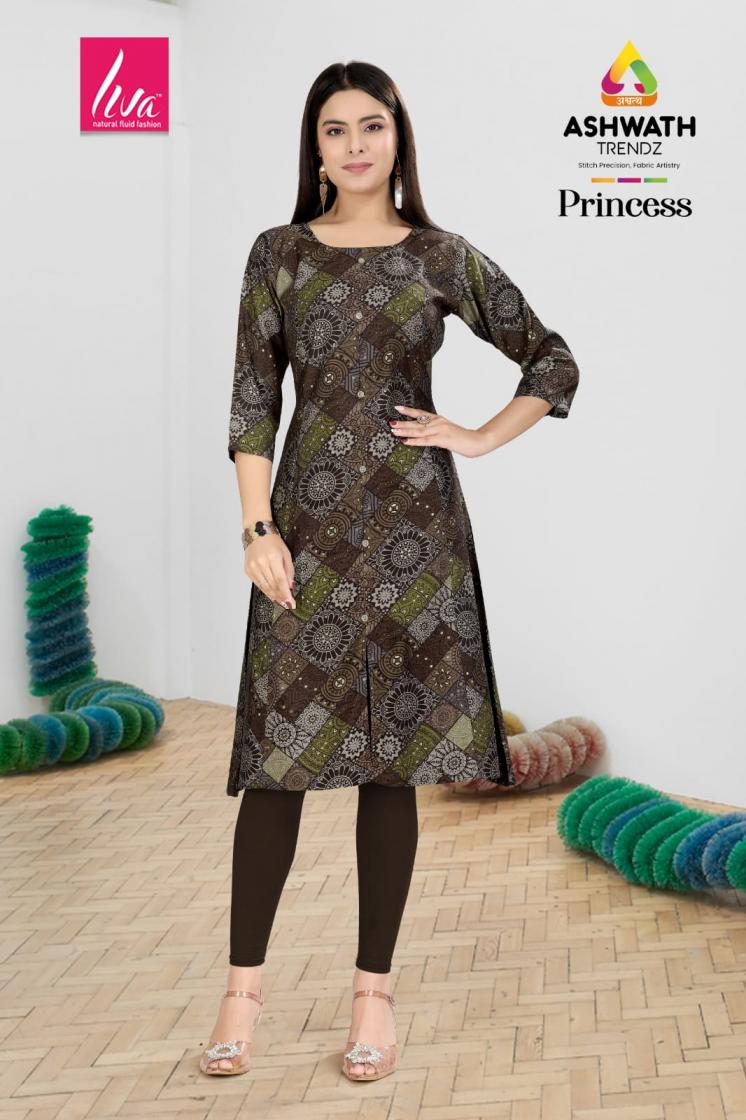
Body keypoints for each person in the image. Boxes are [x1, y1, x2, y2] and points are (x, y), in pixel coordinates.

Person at [201, 59, 580, 1082]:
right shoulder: (279, 254)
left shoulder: (438, 255)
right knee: (277, 765)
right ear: (316, 149)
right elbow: (251, 404)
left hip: (417, 541)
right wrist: (256, 529)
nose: (356, 145)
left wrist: (477, 435)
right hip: (307, 537)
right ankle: (241, 992)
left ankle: (373, 996)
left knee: (390, 764)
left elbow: (551, 359)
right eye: (336, 130)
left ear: (398, 136)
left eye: (371, 125)